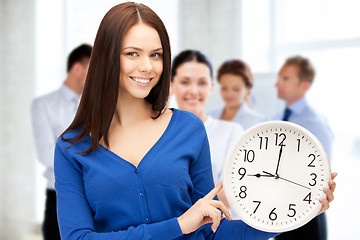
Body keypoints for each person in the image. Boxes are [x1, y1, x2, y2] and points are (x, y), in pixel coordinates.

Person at [54, 3, 336, 240]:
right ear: (106, 58)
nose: (147, 67)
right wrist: (178, 226)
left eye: (156, 55)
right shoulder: (72, 147)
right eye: (132, 53)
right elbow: (78, 238)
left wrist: (296, 211)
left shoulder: (189, 129)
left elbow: (210, 230)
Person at [31, 43, 92, 240]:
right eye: (92, 70)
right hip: (57, 197)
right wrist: (87, 148)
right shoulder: (43, 105)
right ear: (77, 69)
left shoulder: (96, 106)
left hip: (93, 197)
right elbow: (46, 155)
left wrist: (64, 145)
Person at [272, 55, 335, 240]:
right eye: (279, 78)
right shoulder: (277, 117)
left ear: (304, 86)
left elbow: (323, 171)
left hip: (308, 215)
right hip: (280, 212)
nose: (277, 84)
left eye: (286, 79)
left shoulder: (315, 123)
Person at [208, 59, 266, 130]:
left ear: (247, 88)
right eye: (224, 88)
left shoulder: (257, 122)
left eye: (236, 89)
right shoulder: (209, 117)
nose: (229, 94)